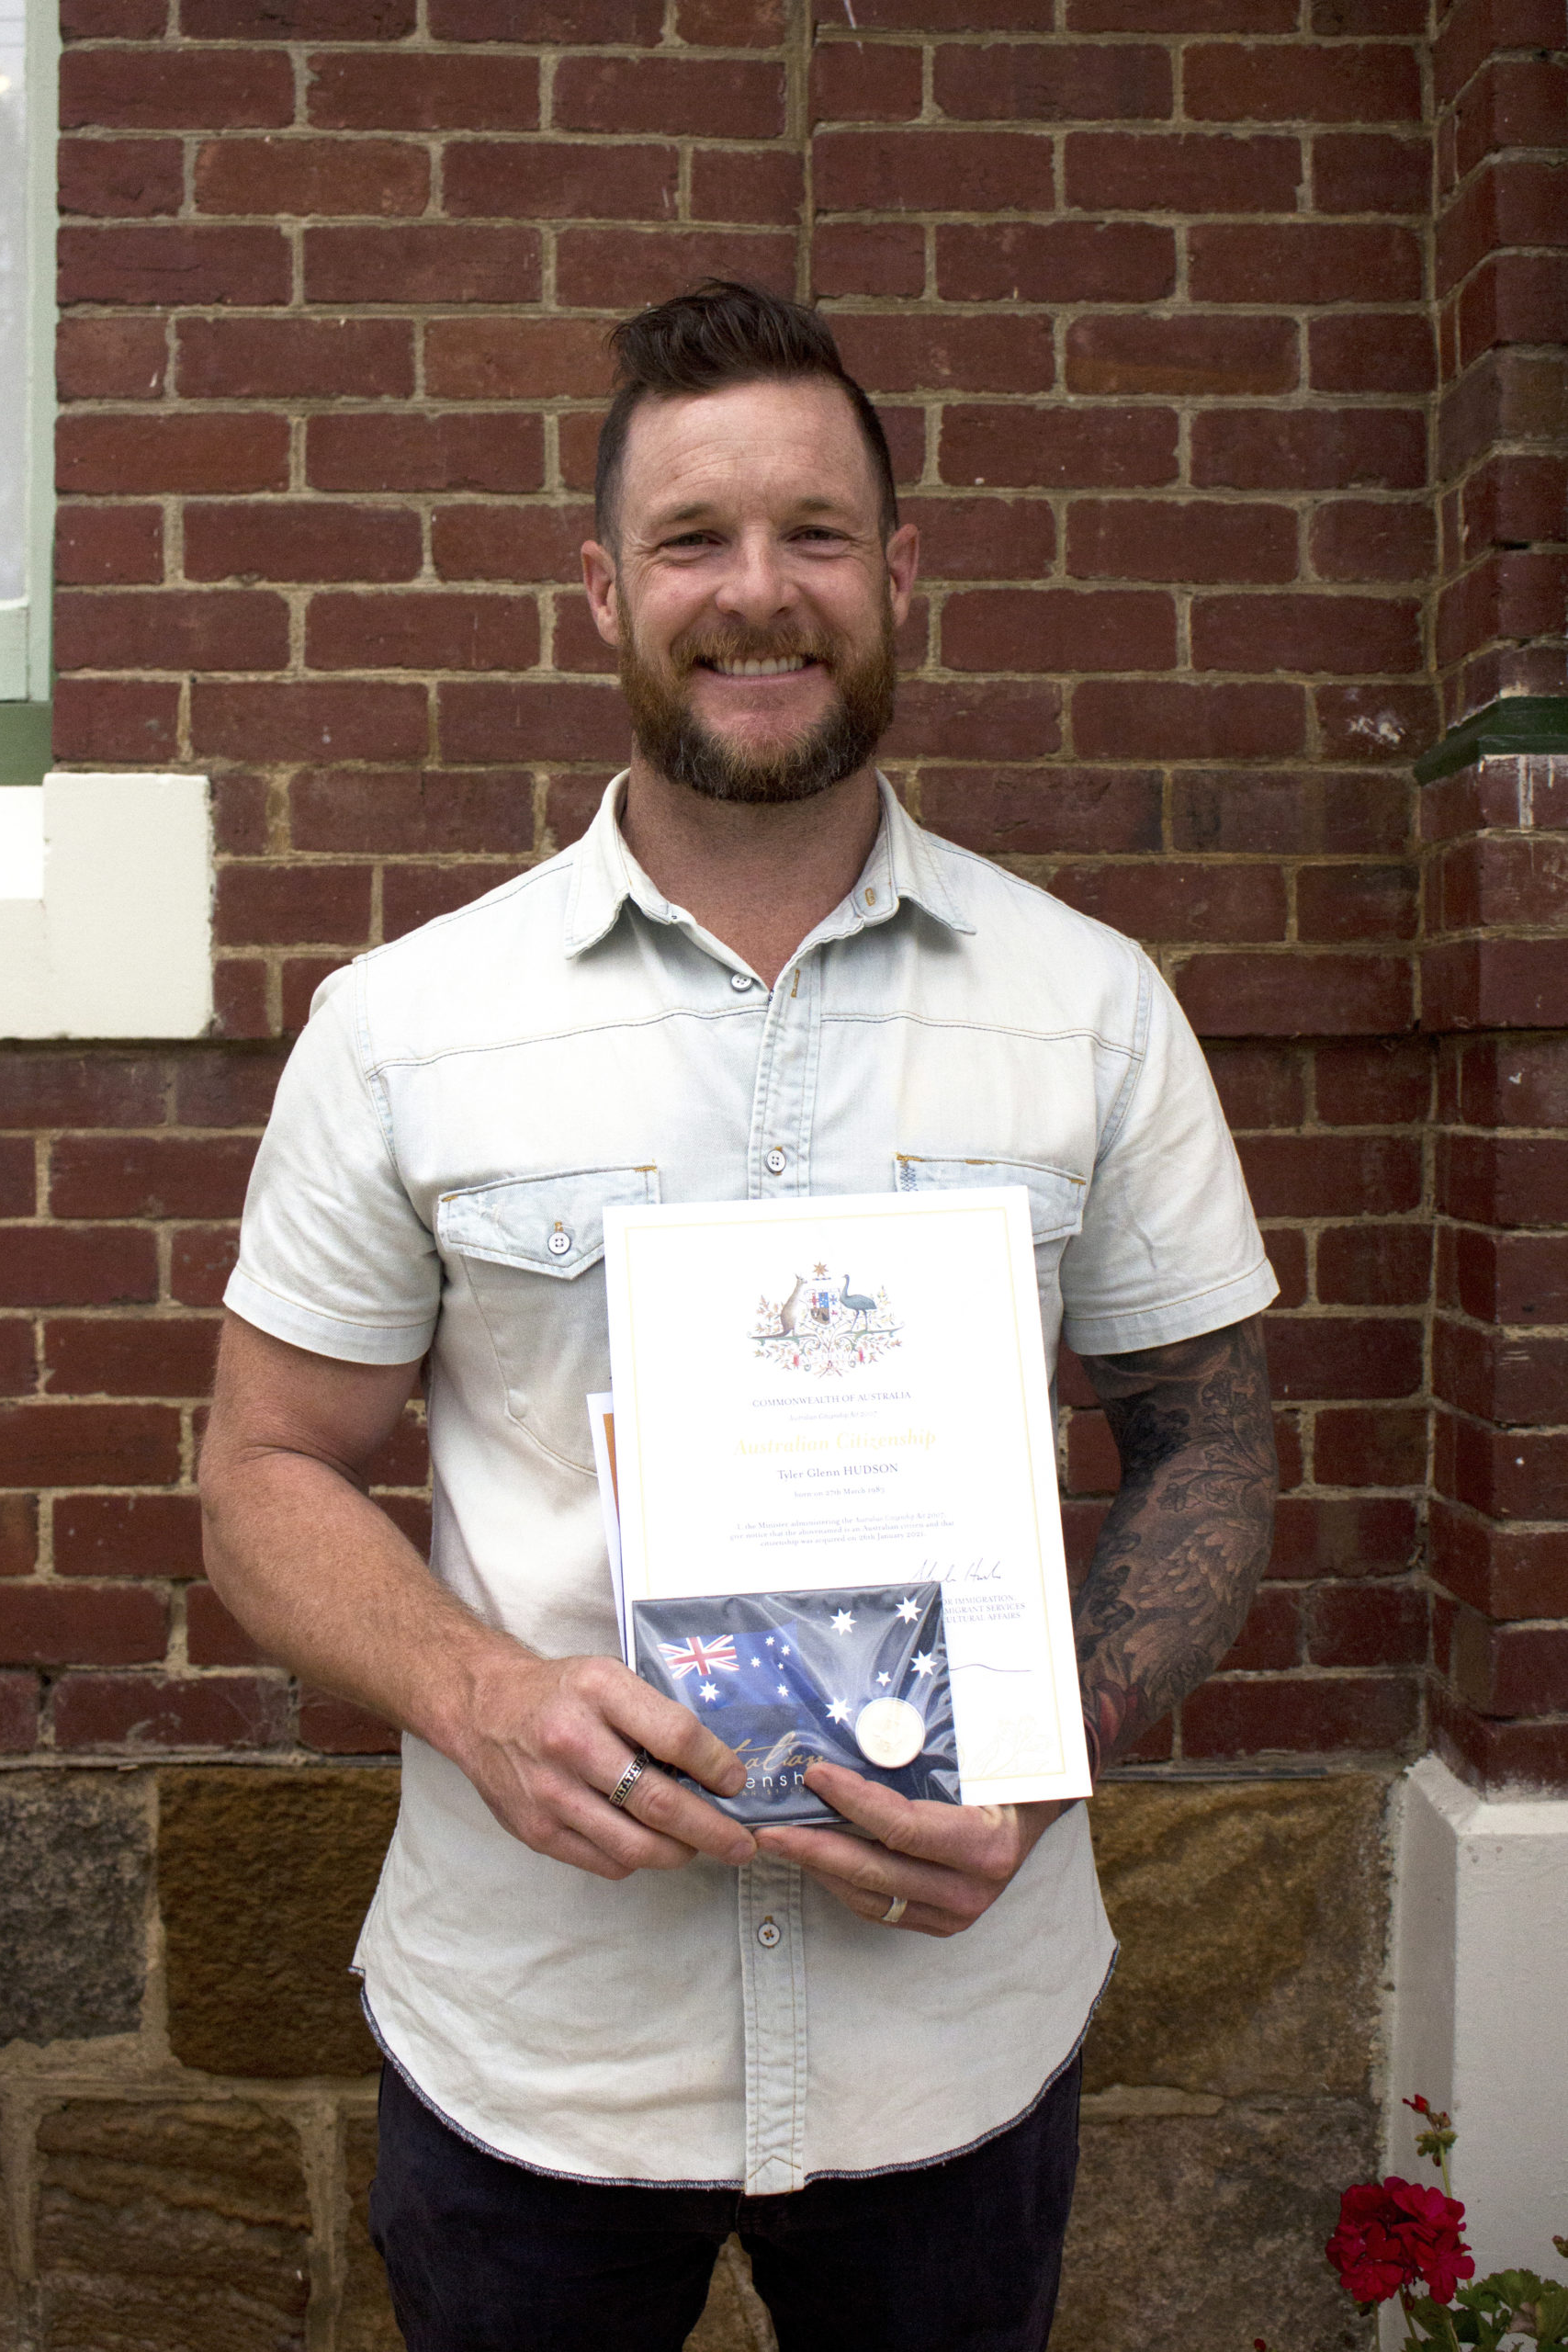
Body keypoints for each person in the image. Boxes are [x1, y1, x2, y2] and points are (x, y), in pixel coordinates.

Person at [199, 279, 1280, 2352]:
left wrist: (1056, 1750)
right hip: (536, 2049)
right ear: (602, 587)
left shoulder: (1087, 1004)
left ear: (900, 574)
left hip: (952, 2048)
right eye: (696, 538)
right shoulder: (411, 1026)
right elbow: (262, 1469)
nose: (757, 592)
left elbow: (1210, 1437)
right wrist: (478, 1689)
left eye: (816, 533)